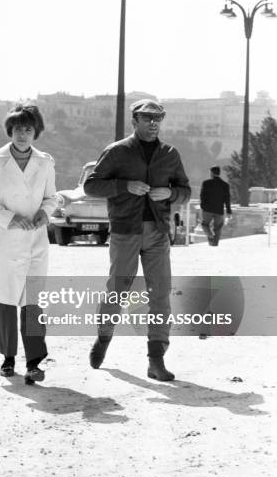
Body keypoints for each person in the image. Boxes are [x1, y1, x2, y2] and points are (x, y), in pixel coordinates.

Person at [83, 99, 191, 381]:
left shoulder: (170, 154)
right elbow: (91, 185)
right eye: (147, 118)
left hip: (157, 232)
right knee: (117, 290)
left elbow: (185, 190)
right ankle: (103, 340)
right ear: (135, 121)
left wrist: (170, 194)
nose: (153, 123)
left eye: (158, 118)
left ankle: (156, 361)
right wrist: (124, 186)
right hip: (124, 231)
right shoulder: (117, 152)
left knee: (161, 294)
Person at [0, 103, 56, 385]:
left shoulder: (45, 161)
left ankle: (34, 361)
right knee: (6, 299)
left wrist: (45, 214)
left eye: (29, 129)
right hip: (5, 239)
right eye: (18, 129)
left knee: (33, 301)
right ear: (11, 130)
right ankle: (8, 358)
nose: (23, 134)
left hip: (35, 239)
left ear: (36, 132)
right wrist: (10, 218)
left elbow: (52, 197)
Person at [200, 166, 232, 246]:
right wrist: (228, 211)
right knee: (218, 227)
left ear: (212, 173)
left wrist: (203, 206)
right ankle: (214, 243)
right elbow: (227, 199)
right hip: (219, 210)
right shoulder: (225, 185)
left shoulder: (206, 183)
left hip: (207, 209)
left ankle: (210, 236)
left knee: (205, 225)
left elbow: (202, 196)